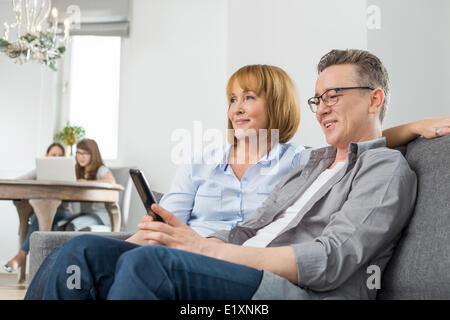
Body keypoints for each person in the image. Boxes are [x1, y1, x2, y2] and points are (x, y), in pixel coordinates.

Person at [27, 49, 425, 300]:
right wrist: (190, 242)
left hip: (291, 289)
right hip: (235, 263)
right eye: (318, 99)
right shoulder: (316, 162)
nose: (321, 108)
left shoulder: (384, 168)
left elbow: (331, 259)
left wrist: (209, 250)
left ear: (375, 98)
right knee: (82, 251)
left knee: (146, 266)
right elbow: (246, 229)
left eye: (334, 95)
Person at [155, 64, 450, 238]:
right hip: (188, 251)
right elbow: (165, 222)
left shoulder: (301, 161)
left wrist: (413, 127)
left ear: (276, 105)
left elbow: (355, 144)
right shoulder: (199, 162)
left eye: (249, 97)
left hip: (243, 264)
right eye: (232, 99)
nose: (237, 108)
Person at [3, 142, 71, 273]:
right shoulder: (39, 171)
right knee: (37, 216)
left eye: (60, 156)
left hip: (63, 213)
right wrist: (33, 181)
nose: (56, 158)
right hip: (39, 214)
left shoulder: (67, 173)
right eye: (53, 155)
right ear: (46, 155)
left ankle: (21, 255)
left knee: (37, 217)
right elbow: (16, 182)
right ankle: (25, 259)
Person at [56, 138, 116, 232]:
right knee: (59, 226)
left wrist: (86, 182)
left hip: (100, 215)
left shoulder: (101, 170)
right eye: (78, 153)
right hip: (84, 214)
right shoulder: (77, 171)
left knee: (72, 226)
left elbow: (111, 182)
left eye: (85, 153)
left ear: (93, 154)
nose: (81, 157)